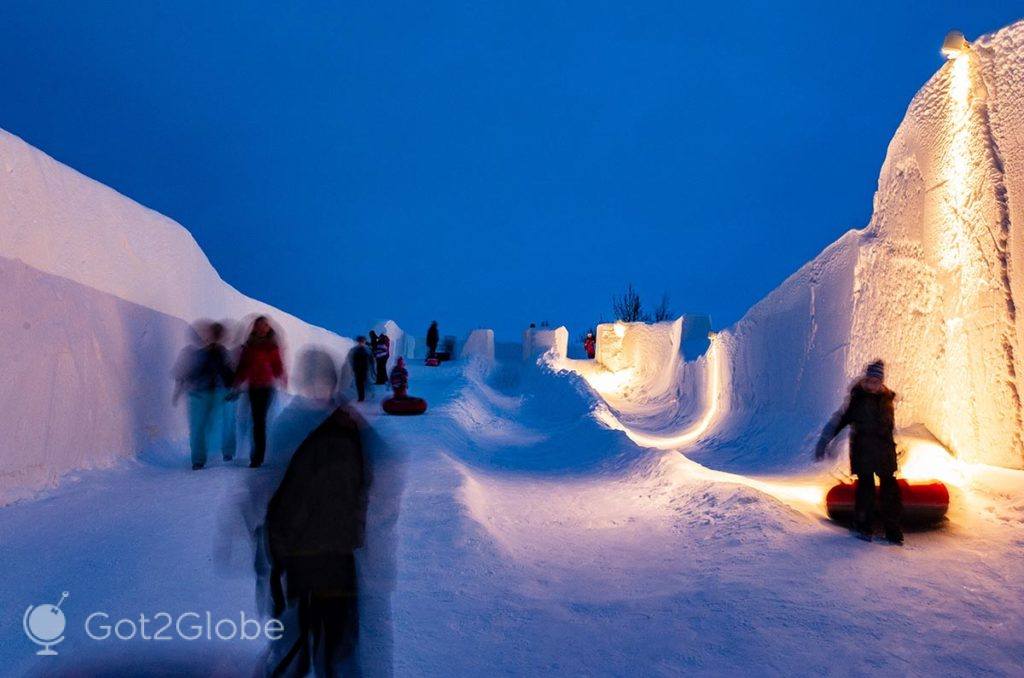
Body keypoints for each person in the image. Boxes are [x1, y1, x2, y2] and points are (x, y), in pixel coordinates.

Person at [265, 405, 368, 676]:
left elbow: (289, 504)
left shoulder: (310, 444)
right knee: (335, 646)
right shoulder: (358, 446)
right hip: (339, 564)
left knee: (300, 641)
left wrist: (278, 556)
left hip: (306, 562)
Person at [816, 360, 903, 544]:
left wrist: (898, 446)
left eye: (876, 382)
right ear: (865, 380)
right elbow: (839, 420)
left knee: (890, 490)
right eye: (869, 381)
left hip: (885, 452)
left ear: (881, 382)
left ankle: (893, 531)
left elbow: (890, 428)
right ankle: (864, 526)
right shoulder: (857, 399)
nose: (872, 385)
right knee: (866, 489)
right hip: (863, 452)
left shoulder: (887, 400)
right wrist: (825, 440)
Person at [173, 321, 236, 470]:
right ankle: (199, 459)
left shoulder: (219, 353)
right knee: (200, 426)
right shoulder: (198, 353)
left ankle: (208, 457)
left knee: (208, 426)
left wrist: (232, 388)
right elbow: (185, 374)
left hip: (211, 392)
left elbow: (228, 373)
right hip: (200, 393)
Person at [234, 316, 287, 469]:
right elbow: (243, 365)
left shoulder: (272, 346)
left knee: (259, 420)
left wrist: (282, 378)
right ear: (255, 327)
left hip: (266, 387)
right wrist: (237, 382)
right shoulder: (249, 346)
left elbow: (278, 365)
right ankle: (256, 455)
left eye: (265, 325)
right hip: (253, 387)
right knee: (256, 420)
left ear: (269, 328)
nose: (262, 327)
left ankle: (257, 457)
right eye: (259, 325)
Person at [349, 336, 372, 402]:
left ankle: (366, 395)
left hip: (363, 369)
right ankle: (362, 397)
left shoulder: (366, 350)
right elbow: (352, 360)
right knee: (360, 383)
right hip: (359, 369)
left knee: (363, 382)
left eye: (362, 341)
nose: (361, 343)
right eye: (360, 342)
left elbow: (370, 360)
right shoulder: (356, 350)